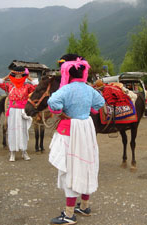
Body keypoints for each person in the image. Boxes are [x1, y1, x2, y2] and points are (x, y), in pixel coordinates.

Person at [47, 54, 105, 225]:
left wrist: (61, 111)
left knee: (70, 168)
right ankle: (85, 206)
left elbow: (53, 103)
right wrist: (88, 110)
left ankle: (69, 214)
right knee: (86, 164)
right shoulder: (89, 89)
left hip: (71, 129)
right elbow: (100, 103)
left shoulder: (65, 90)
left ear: (68, 73)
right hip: (86, 128)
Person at [0, 66, 38, 162]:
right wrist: (7, 76)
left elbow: (37, 86)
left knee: (23, 132)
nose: (18, 77)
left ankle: (24, 151)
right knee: (12, 131)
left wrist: (28, 78)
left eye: (21, 75)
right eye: (16, 75)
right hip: (13, 111)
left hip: (23, 111)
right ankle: (12, 152)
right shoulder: (10, 85)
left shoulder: (27, 86)